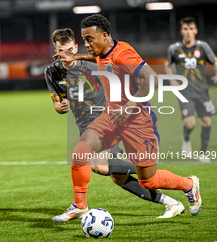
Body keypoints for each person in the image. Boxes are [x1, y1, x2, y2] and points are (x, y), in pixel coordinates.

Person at [54, 14, 201, 216]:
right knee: (81, 151)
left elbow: (152, 77)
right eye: (84, 39)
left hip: (138, 121)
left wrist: (130, 105)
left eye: (89, 39)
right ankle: (80, 206)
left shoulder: (123, 54)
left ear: (104, 36)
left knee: (148, 180)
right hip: (111, 117)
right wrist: (76, 57)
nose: (86, 44)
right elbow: (98, 58)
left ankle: (188, 184)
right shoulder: (104, 50)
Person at [166, 17, 217, 163]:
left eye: (191, 29)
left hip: (202, 91)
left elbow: (214, 61)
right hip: (185, 92)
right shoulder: (174, 49)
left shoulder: (203, 47)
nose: (188, 32)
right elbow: (168, 65)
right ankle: (186, 138)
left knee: (207, 121)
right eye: (185, 29)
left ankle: (202, 154)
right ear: (181, 31)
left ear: (196, 30)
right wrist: (172, 80)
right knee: (191, 123)